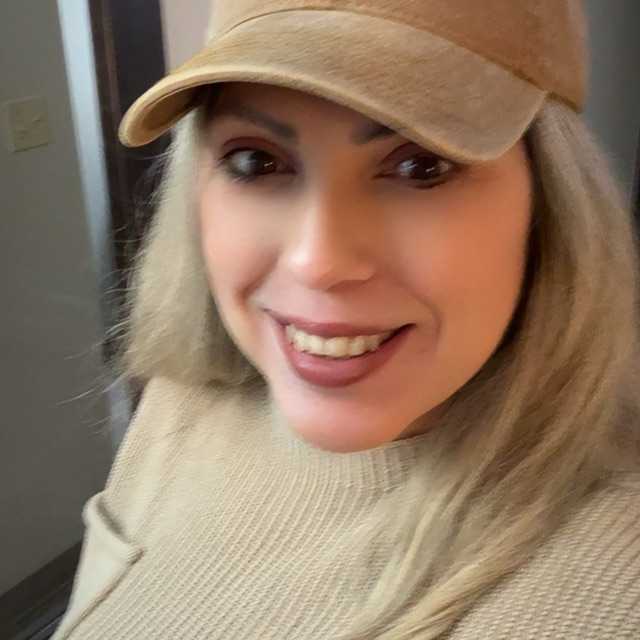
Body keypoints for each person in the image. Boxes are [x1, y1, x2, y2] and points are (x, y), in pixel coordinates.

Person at [52, 1, 640, 639]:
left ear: (550, 206)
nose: (318, 262)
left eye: (420, 166)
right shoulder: (180, 405)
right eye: (255, 162)